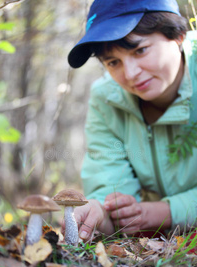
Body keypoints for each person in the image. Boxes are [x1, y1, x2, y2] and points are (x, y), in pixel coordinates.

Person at [63, 0, 197, 241]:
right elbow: (108, 181)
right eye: (113, 62)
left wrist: (163, 212)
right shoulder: (106, 99)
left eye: (140, 50)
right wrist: (101, 212)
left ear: (178, 35)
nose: (131, 74)